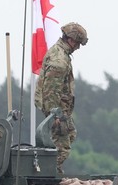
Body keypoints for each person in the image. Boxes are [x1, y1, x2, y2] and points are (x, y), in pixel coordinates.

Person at [34, 22, 88, 176]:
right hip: (56, 109)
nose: (77, 47)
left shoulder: (60, 54)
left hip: (58, 108)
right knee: (62, 145)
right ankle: (48, 172)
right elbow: (51, 90)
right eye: (77, 43)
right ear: (71, 40)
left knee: (69, 134)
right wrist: (55, 116)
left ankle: (50, 170)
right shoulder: (59, 61)